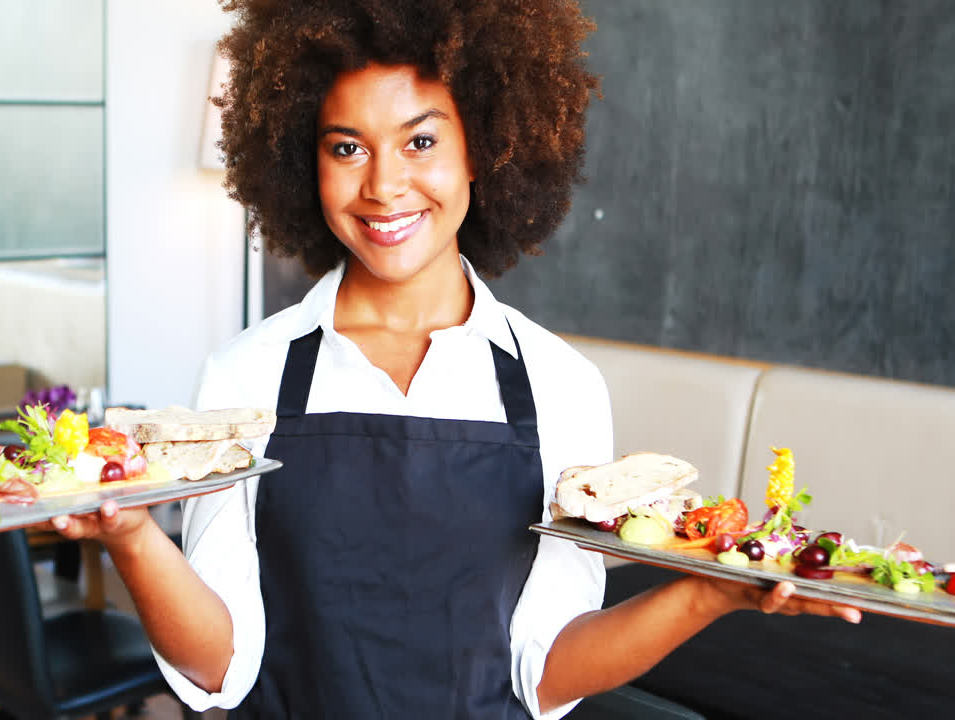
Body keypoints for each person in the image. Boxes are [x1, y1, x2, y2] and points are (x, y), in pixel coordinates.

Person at [49, 1, 861, 717]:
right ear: (305, 161)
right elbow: (219, 668)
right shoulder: (246, 373)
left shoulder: (559, 384)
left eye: (421, 140)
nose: (384, 186)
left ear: (484, 148)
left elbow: (547, 672)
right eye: (347, 148)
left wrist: (706, 596)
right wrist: (132, 538)